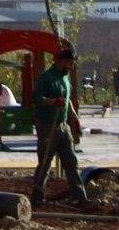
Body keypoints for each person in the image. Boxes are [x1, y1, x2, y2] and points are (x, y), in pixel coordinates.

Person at [29, 47, 86, 209]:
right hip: (48, 126)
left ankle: (79, 196)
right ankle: (37, 196)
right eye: (69, 63)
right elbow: (37, 98)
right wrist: (52, 101)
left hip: (63, 126)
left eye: (72, 63)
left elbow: (67, 101)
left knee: (71, 161)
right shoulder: (47, 78)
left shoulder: (66, 79)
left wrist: (75, 120)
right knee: (45, 163)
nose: (71, 66)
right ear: (60, 61)